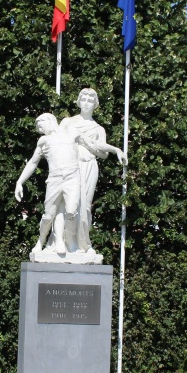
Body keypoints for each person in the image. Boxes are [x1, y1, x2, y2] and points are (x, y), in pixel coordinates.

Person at [58, 88, 126, 255]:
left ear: (95, 104)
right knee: (70, 205)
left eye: (90, 100)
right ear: (79, 101)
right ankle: (68, 241)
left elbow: (102, 153)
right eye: (84, 99)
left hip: (89, 166)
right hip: (71, 166)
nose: (87, 102)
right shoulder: (68, 122)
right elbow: (58, 144)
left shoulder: (98, 129)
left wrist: (116, 149)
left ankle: (84, 244)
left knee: (85, 206)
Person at [14, 113, 84, 255]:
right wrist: (19, 182)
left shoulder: (72, 134)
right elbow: (33, 163)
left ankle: (69, 241)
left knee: (71, 211)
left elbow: (93, 144)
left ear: (50, 121)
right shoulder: (44, 140)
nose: (40, 129)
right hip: (54, 179)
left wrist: (115, 150)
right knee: (49, 214)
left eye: (41, 125)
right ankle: (41, 240)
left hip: (72, 177)